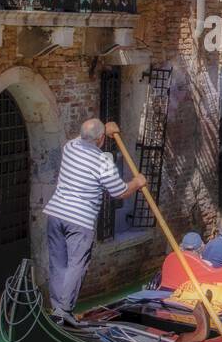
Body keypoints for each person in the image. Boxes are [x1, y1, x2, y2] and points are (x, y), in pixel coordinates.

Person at [44, 118, 147, 322]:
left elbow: (86, 135)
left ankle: (57, 309)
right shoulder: (102, 162)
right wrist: (137, 182)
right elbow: (119, 191)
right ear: (101, 139)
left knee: (58, 263)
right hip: (80, 220)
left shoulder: (70, 146)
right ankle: (64, 311)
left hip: (55, 214)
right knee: (77, 264)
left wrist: (102, 130)